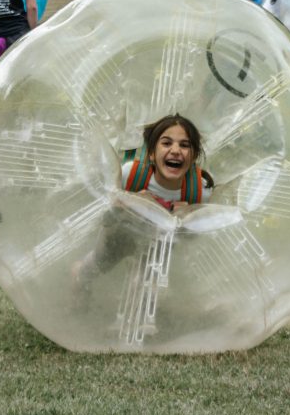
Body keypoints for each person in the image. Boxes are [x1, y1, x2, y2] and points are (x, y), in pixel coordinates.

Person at [71, 114, 214, 299]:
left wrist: (186, 218)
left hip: (158, 242)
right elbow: (105, 212)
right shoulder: (131, 174)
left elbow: (195, 235)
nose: (175, 150)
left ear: (193, 156)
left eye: (184, 145)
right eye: (166, 143)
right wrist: (126, 202)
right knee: (97, 265)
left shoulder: (200, 190)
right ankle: (79, 275)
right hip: (121, 234)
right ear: (152, 152)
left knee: (145, 282)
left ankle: (134, 300)